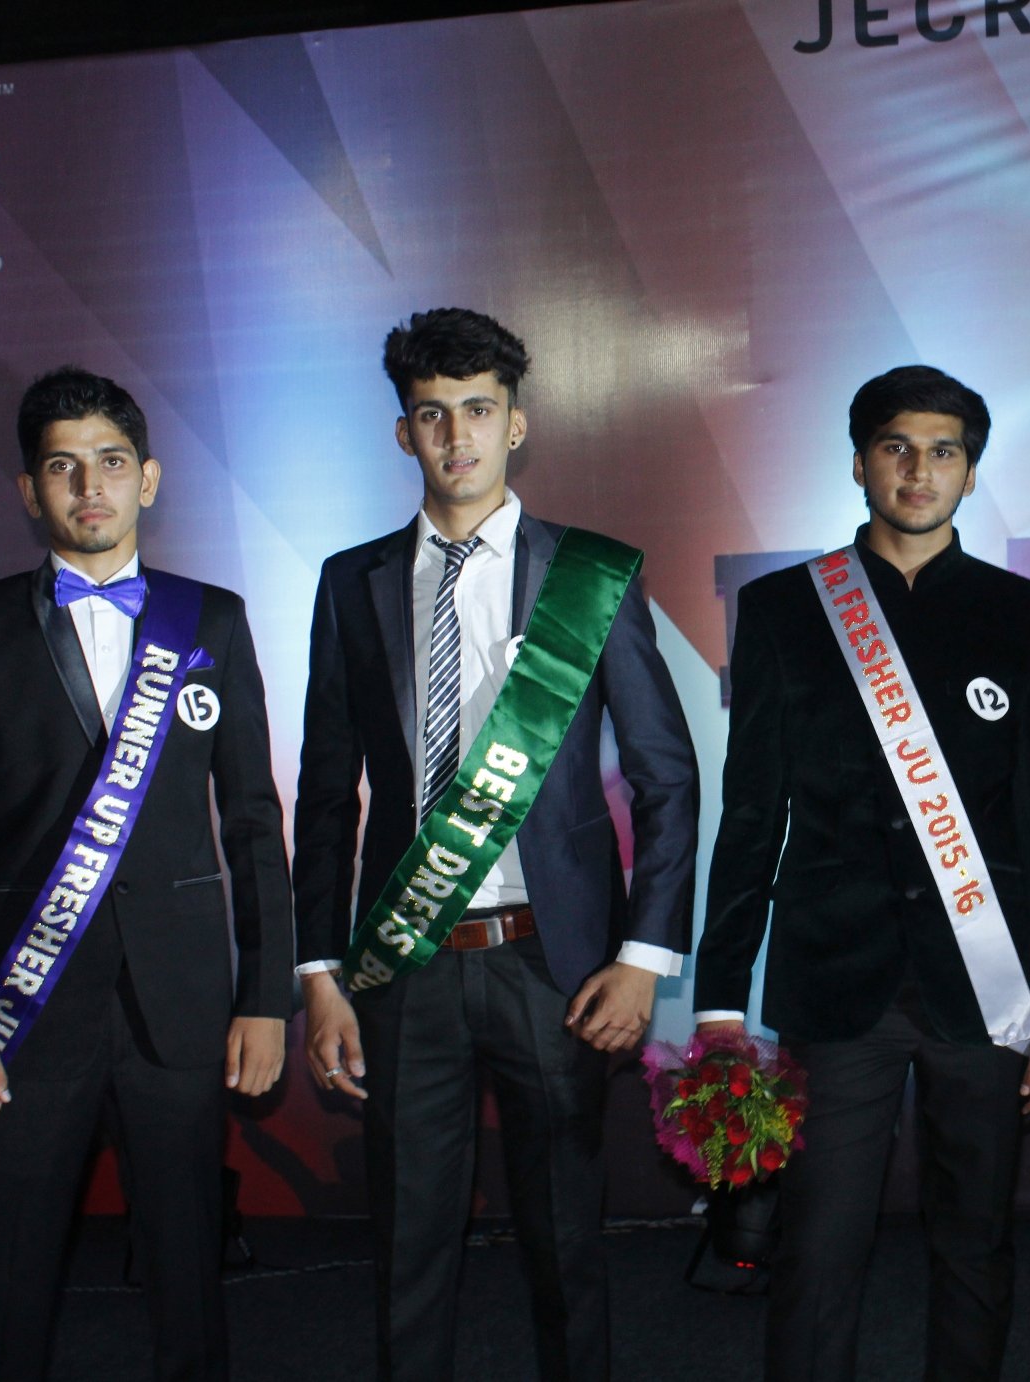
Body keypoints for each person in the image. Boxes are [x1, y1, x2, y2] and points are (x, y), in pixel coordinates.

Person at [291, 308, 698, 1381]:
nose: (456, 435)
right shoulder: (351, 581)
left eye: (478, 410)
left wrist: (643, 956)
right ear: (403, 432)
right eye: (432, 414)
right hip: (404, 963)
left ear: (517, 423)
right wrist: (320, 971)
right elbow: (326, 796)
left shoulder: (590, 575)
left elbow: (666, 774)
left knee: (567, 1245)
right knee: (408, 1247)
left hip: (553, 964)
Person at [692, 364, 1030, 1382]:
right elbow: (752, 814)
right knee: (817, 1252)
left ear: (971, 472)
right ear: (860, 462)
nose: (920, 470)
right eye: (897, 448)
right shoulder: (786, 608)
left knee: (976, 1245)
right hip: (837, 980)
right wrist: (718, 1000)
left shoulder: (1022, 615)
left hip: (987, 983)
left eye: (943, 451)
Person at [0, 367, 293, 1381]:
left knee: (188, 1274)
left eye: (111, 463)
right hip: (21, 1011)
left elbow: (254, 824)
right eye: (63, 467)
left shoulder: (211, 620)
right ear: (29, 490)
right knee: (8, 1278)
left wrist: (265, 998)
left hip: (179, 1003)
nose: (90, 487)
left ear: (147, 480)